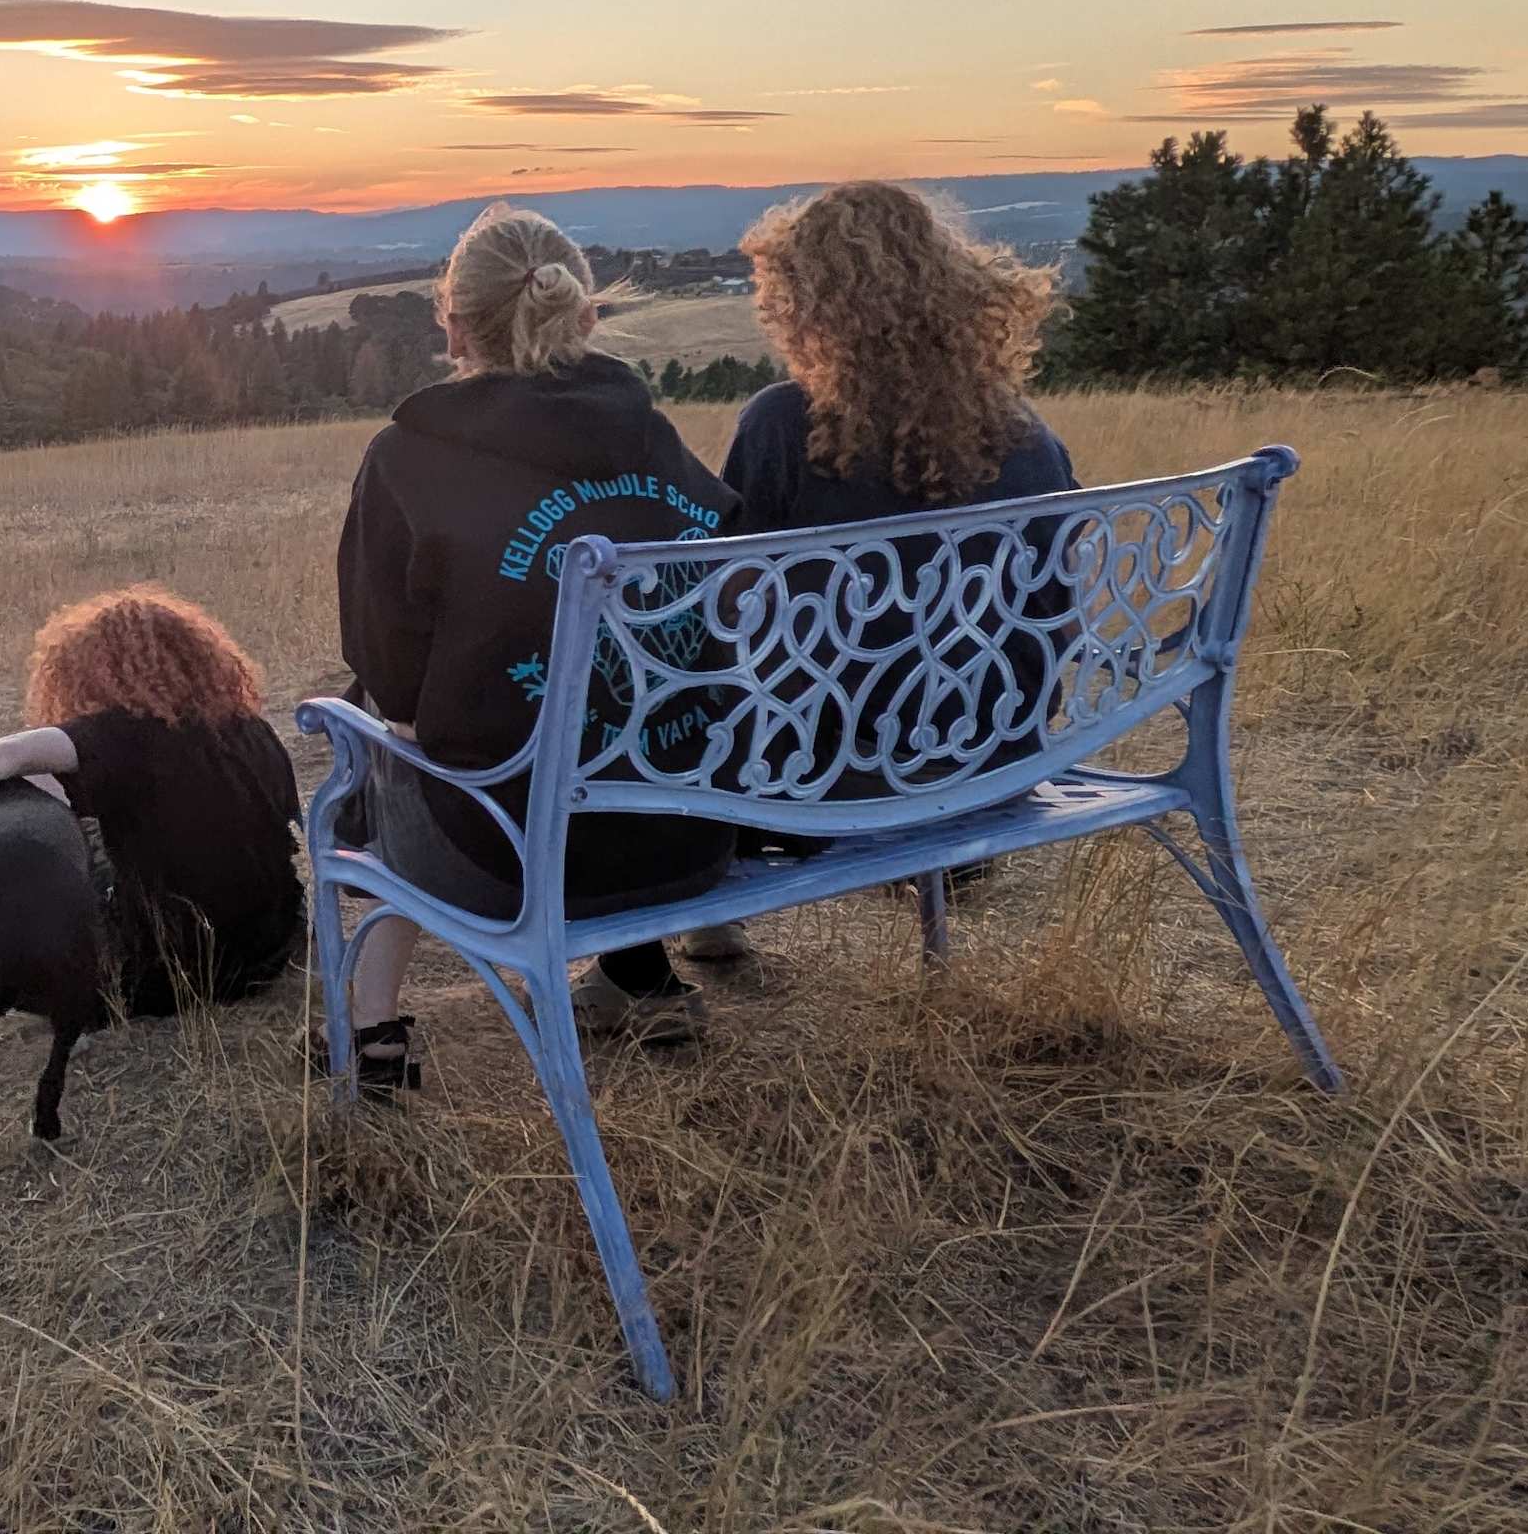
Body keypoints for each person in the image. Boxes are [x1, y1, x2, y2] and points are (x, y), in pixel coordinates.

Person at [330, 205, 744, 1091]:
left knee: (371, 728)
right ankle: (642, 974)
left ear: (452, 326)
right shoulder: (655, 436)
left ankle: (374, 1026)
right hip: (689, 835)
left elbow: (394, 687)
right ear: (586, 317)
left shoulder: (408, 457)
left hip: (510, 857)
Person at [719, 183, 1078, 825]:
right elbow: (1054, 609)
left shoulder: (782, 425)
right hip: (1003, 755)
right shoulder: (1026, 435)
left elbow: (730, 606)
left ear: (806, 306)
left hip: (836, 770)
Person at [0, 585, 305, 1018]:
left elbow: (7, 756)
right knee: (66, 806)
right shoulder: (253, 731)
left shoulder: (121, 737)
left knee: (16, 824)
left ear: (92, 675)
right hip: (271, 952)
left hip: (156, 980)